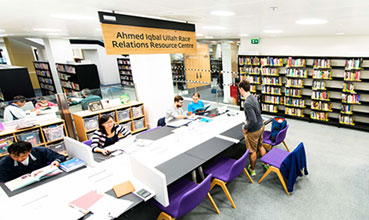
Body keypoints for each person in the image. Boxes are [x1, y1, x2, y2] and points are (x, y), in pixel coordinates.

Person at [238, 79, 268, 176]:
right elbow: (257, 113)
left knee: (252, 151)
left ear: (241, 89)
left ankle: (253, 169)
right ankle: (266, 164)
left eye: (239, 89)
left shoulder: (247, 103)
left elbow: (253, 120)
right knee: (260, 146)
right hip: (261, 126)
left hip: (254, 130)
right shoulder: (253, 97)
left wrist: (246, 127)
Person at [0, 141, 66, 182]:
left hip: (45, 180)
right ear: (10, 154)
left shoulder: (41, 151)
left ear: (29, 151)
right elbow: (3, 181)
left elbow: (60, 157)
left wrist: (57, 161)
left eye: (23, 156)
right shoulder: (4, 163)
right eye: (15, 157)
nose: (20, 159)